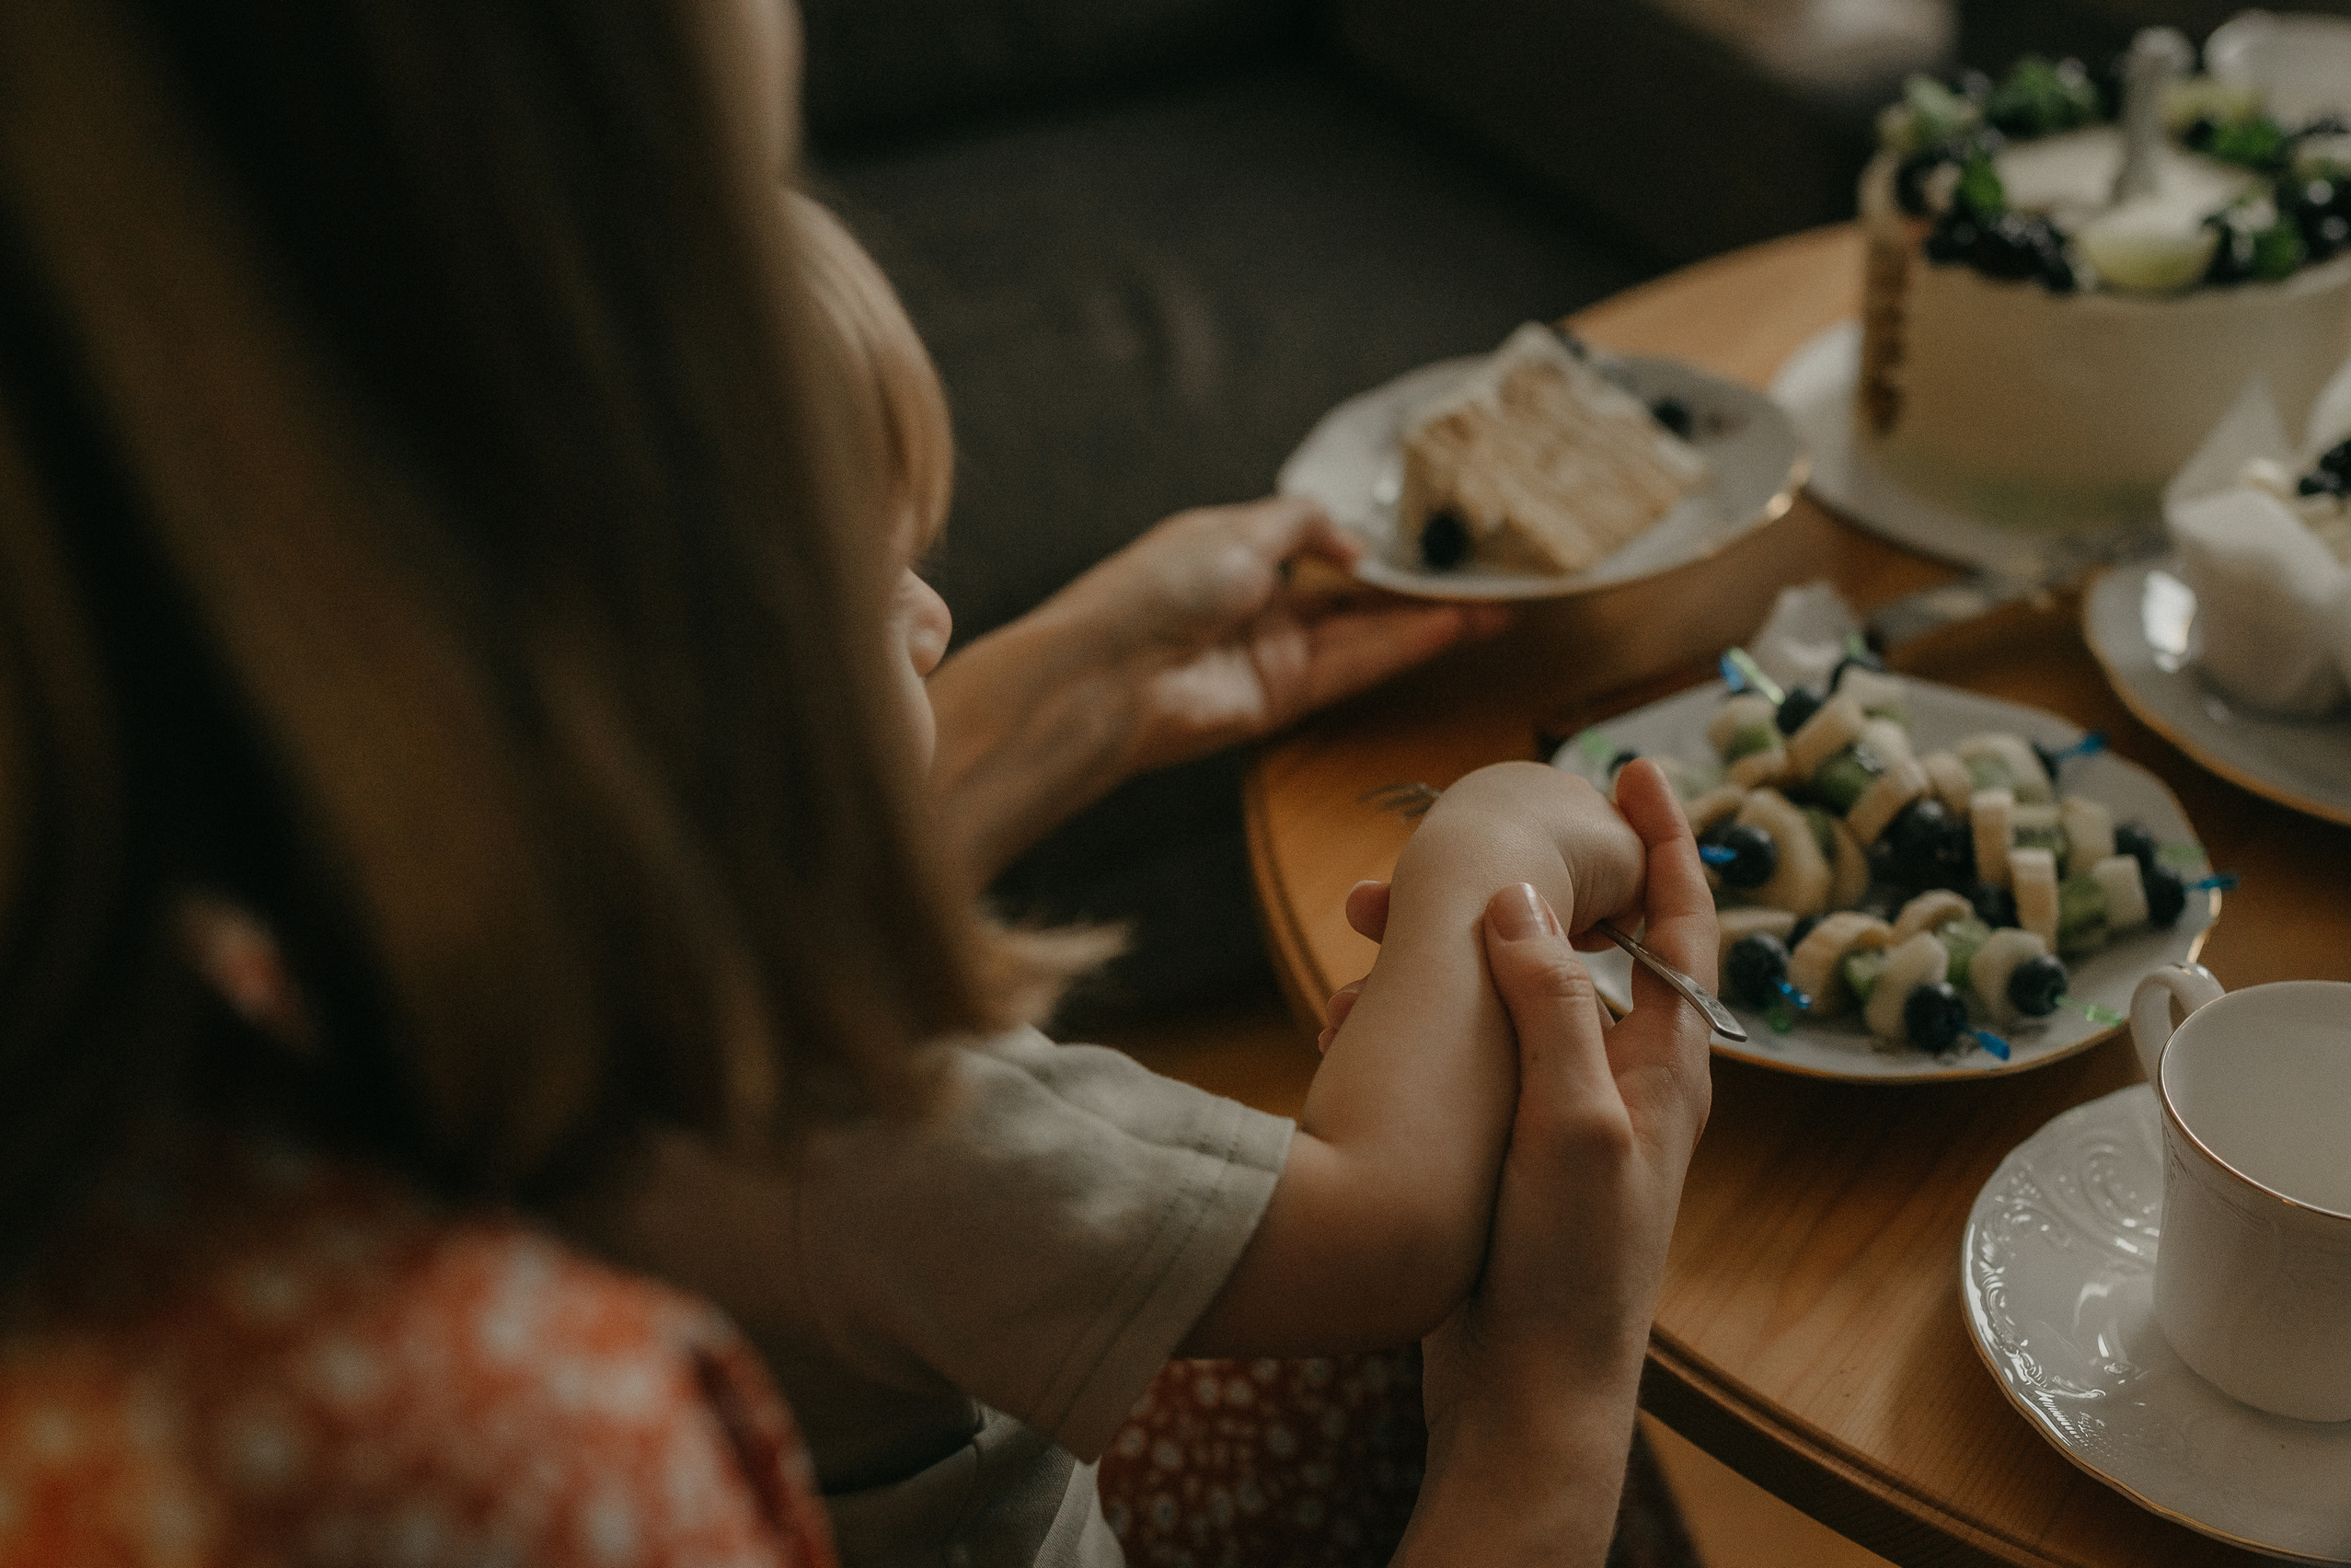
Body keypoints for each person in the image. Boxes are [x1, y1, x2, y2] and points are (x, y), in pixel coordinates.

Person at [0, 6, 1714, 1568]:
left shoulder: (344, 941)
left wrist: (1070, 696)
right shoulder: (827, 1125)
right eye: (866, 591)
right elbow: (1388, 1233)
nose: (940, 620)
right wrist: (1487, 847)